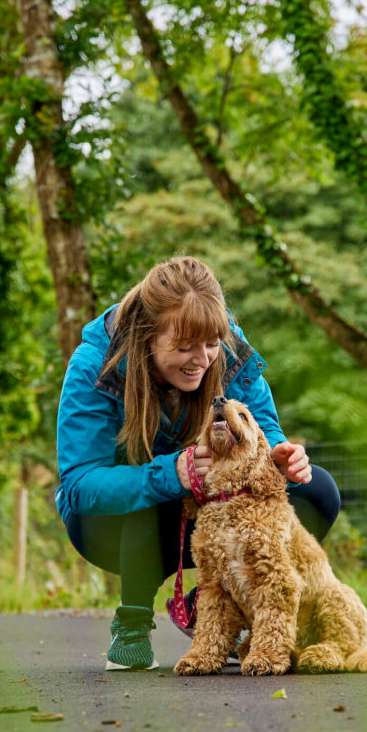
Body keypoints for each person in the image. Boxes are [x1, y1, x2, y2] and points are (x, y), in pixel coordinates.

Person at [55, 256, 342, 670]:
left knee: (317, 491)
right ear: (148, 337)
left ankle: (224, 605)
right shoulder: (94, 366)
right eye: (184, 347)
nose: (201, 359)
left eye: (210, 345)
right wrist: (170, 473)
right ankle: (133, 622)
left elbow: (262, 426)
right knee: (148, 496)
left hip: (216, 510)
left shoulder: (225, 345)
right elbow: (80, 484)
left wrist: (278, 453)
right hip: (111, 527)